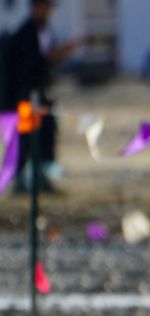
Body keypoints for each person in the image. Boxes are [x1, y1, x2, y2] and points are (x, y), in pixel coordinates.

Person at [3, 0, 76, 193]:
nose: (49, 12)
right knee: (24, 141)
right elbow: (27, 68)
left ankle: (42, 178)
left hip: (41, 96)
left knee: (46, 136)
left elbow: (45, 63)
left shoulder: (45, 31)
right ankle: (20, 181)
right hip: (23, 99)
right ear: (36, 7)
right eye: (46, 7)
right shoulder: (23, 35)